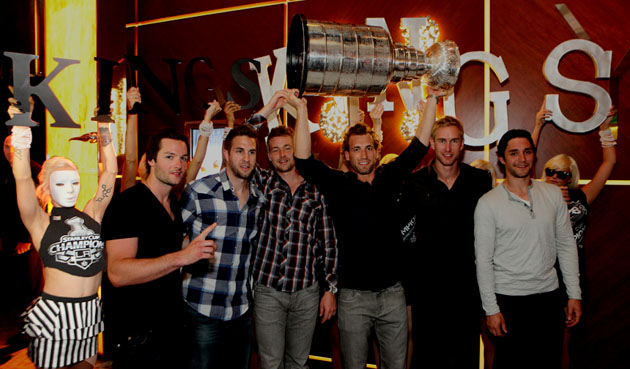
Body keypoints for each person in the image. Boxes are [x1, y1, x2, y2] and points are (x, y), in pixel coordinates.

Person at [293, 87, 447, 369]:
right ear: (347, 156)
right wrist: (301, 110)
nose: (363, 154)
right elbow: (303, 160)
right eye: (356, 149)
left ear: (377, 152)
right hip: (352, 298)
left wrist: (434, 99)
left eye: (368, 147)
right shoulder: (338, 185)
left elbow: (420, 145)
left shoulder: (390, 177)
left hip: (392, 295)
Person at [8, 104, 117, 369]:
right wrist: (21, 132)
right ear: (45, 187)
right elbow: (22, 179)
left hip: (89, 312)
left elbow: (109, 173)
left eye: (74, 182)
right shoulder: (39, 222)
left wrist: (104, 127)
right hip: (57, 314)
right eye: (60, 183)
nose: (69, 189)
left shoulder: (93, 214)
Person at [102, 129, 217, 369]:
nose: (179, 164)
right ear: (151, 160)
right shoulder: (129, 204)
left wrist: (192, 248)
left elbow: (162, 248)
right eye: (169, 156)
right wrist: (181, 257)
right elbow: (118, 273)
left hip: (170, 329)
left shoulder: (172, 202)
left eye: (183, 158)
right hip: (138, 336)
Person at [474, 129, 582, 369]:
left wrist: (574, 294)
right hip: (508, 301)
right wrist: (491, 309)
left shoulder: (553, 195)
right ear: (501, 159)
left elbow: (566, 245)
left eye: (527, 152)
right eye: (514, 153)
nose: (522, 159)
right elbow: (483, 261)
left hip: (549, 300)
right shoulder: (488, 203)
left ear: (534, 155)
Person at [400, 116, 492, 369]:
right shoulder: (414, 183)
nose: (448, 148)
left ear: (462, 144)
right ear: (431, 142)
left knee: (467, 357)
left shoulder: (480, 181)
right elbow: (406, 239)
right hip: (427, 290)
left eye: (454, 141)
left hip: (468, 289)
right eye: (442, 141)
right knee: (428, 358)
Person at [533, 102, 617, 369]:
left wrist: (605, 129)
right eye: (551, 171)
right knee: (542, 341)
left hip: (574, 277)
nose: (556, 177)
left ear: (571, 177)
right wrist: (537, 125)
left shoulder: (582, 196)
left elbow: (610, 162)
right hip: (542, 276)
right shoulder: (532, 196)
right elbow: (523, 158)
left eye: (563, 174)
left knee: (568, 343)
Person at [252, 122, 338, 369]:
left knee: (298, 363)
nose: (282, 155)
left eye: (287, 148)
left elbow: (328, 241)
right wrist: (266, 110)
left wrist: (330, 289)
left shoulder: (316, 189)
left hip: (306, 293)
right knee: (270, 362)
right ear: (268, 156)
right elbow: (240, 138)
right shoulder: (263, 182)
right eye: (275, 150)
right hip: (268, 290)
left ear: (296, 149)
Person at [180, 123, 263, 369]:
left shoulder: (260, 200)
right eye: (239, 151)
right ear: (226, 154)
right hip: (202, 307)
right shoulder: (199, 191)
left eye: (251, 152)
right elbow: (172, 244)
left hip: (240, 309)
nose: (246, 159)